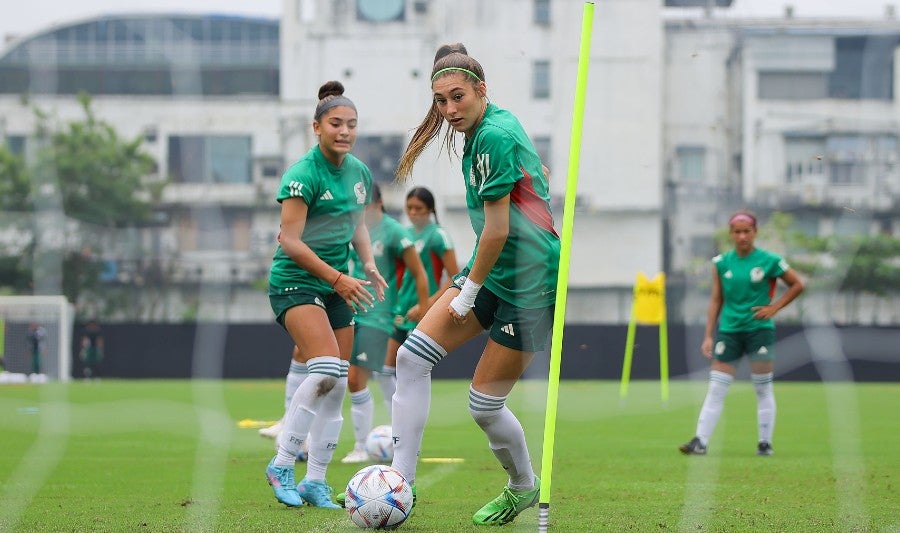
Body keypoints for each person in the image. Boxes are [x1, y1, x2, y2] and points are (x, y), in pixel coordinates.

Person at [386, 43, 560, 526]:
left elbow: (500, 229)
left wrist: (466, 291)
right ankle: (401, 484)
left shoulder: (494, 134)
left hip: (531, 284)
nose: (449, 110)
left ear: (481, 90)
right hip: (495, 267)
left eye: (457, 97)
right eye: (441, 101)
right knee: (409, 358)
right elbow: (531, 180)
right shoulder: (483, 130)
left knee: (484, 405)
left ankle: (523, 487)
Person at [264, 80, 387, 509]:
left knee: (338, 384)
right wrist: (337, 278)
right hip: (295, 282)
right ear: (316, 127)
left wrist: (367, 262)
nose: (345, 131)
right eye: (336, 123)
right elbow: (290, 240)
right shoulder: (302, 174)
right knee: (323, 371)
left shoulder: (359, 172)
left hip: (339, 284)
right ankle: (281, 464)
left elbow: (356, 224)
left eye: (352, 125)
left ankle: (315, 481)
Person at [679, 209, 804, 457]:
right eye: (737, 232)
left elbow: (797, 284)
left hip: (759, 331)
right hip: (729, 332)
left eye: (747, 231)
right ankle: (700, 442)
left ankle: (764, 443)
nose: (742, 236)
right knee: (716, 388)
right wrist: (708, 335)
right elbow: (716, 300)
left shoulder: (769, 260)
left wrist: (775, 307)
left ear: (755, 233)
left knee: (762, 388)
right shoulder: (721, 262)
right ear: (731, 234)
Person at [340, 182, 431, 464]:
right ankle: (400, 434)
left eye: (364, 205)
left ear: (378, 203)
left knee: (357, 378)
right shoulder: (355, 232)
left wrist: (425, 306)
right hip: (355, 313)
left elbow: (419, 273)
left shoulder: (394, 232)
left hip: (381, 315)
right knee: (371, 377)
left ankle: (363, 445)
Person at [373, 186, 460, 419]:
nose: (413, 212)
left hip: (423, 312)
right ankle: (398, 421)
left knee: (411, 371)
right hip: (401, 311)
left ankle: (408, 424)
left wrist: (428, 305)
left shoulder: (438, 235)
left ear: (430, 209)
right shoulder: (405, 234)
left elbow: (455, 276)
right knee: (383, 371)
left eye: (418, 208)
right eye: (409, 208)